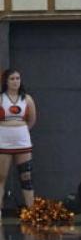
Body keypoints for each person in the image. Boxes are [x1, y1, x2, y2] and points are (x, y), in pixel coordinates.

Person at [0, 69, 37, 212]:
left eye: (18, 78)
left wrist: (21, 130)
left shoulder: (27, 99)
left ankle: (32, 211)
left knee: (26, 176)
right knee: (1, 177)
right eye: (12, 79)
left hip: (22, 140)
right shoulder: (1, 98)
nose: (16, 81)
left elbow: (32, 120)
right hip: (3, 140)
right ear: (6, 81)